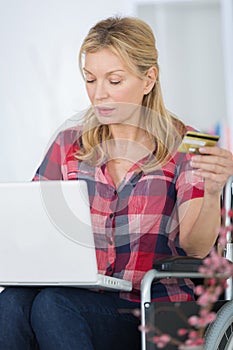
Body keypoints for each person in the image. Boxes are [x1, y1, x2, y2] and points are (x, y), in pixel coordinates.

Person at [0, 16, 233, 350]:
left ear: (148, 79)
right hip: (77, 298)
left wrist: (211, 193)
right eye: (91, 79)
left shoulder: (187, 146)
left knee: (54, 306)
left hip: (151, 308)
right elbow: (34, 224)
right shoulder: (69, 145)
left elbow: (196, 248)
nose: (99, 94)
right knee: (10, 303)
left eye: (114, 80)